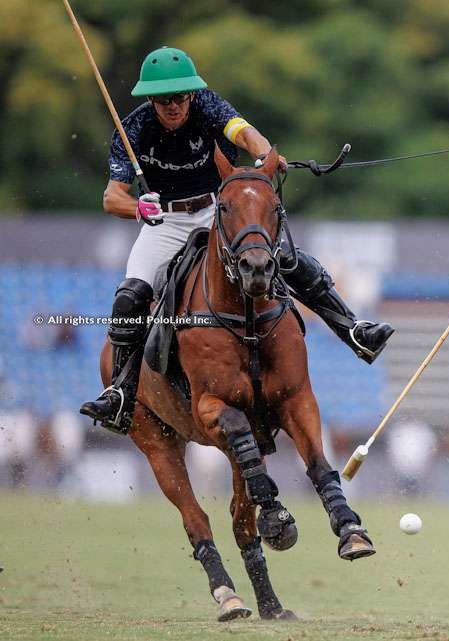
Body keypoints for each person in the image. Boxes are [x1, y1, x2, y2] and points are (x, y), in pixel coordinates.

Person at [80, 47, 394, 434]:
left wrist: (264, 155)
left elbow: (245, 134)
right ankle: (120, 394)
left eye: (180, 97)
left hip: (220, 213)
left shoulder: (208, 106)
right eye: (164, 100)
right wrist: (138, 210)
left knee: (287, 260)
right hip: (165, 221)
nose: (174, 106)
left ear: (192, 94)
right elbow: (112, 197)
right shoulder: (133, 129)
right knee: (129, 296)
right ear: (150, 100)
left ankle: (353, 330)